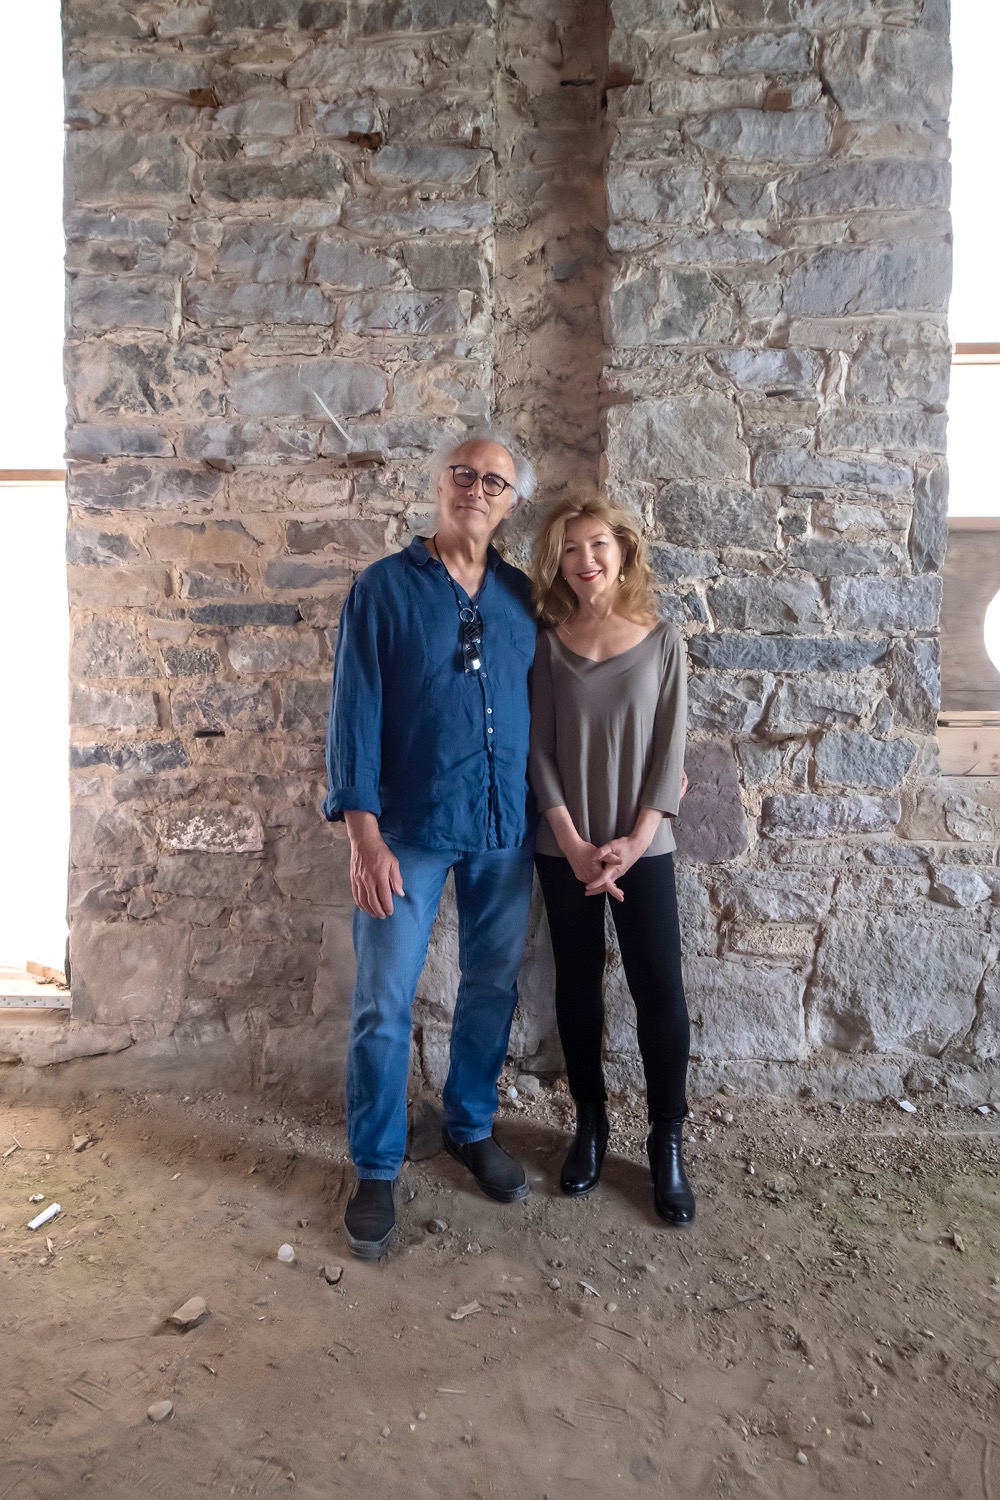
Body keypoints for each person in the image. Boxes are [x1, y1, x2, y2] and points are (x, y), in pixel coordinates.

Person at [324, 429, 538, 1258]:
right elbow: (354, 721)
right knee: (383, 1001)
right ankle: (376, 1164)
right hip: (404, 834)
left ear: (510, 502)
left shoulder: (522, 598)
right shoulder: (382, 589)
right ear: (439, 484)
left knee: (491, 987)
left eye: (494, 481)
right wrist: (362, 838)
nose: (476, 489)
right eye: (463, 474)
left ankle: (470, 1125)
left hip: (501, 830)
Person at [528, 496, 694, 1225]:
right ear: (558, 563)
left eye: (597, 544)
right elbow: (538, 751)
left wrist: (634, 840)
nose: (585, 559)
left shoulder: (664, 642)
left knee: (660, 988)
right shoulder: (548, 641)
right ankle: (589, 1124)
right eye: (570, 549)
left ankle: (666, 1140)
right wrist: (570, 842)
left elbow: (670, 752)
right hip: (564, 846)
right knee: (577, 989)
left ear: (622, 551)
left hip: (643, 848)